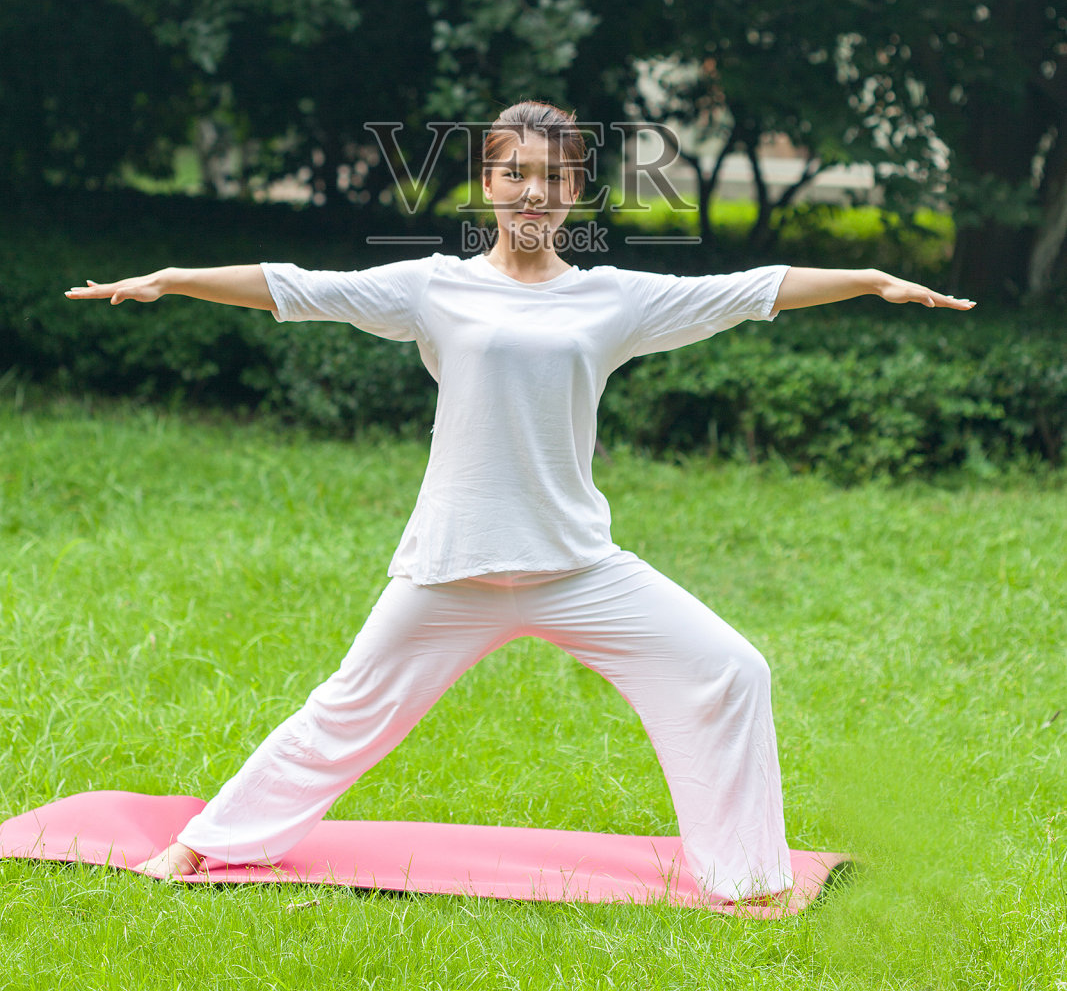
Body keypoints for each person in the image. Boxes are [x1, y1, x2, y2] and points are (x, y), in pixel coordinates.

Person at [66, 100, 975, 897]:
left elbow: (744, 292)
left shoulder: (612, 300)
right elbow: (299, 289)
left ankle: (745, 879)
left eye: (551, 176)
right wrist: (171, 279)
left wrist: (868, 279)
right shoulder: (434, 285)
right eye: (513, 174)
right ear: (486, 183)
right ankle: (203, 845)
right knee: (345, 709)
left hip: (574, 565)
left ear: (575, 190)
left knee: (730, 669)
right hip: (454, 565)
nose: (531, 192)